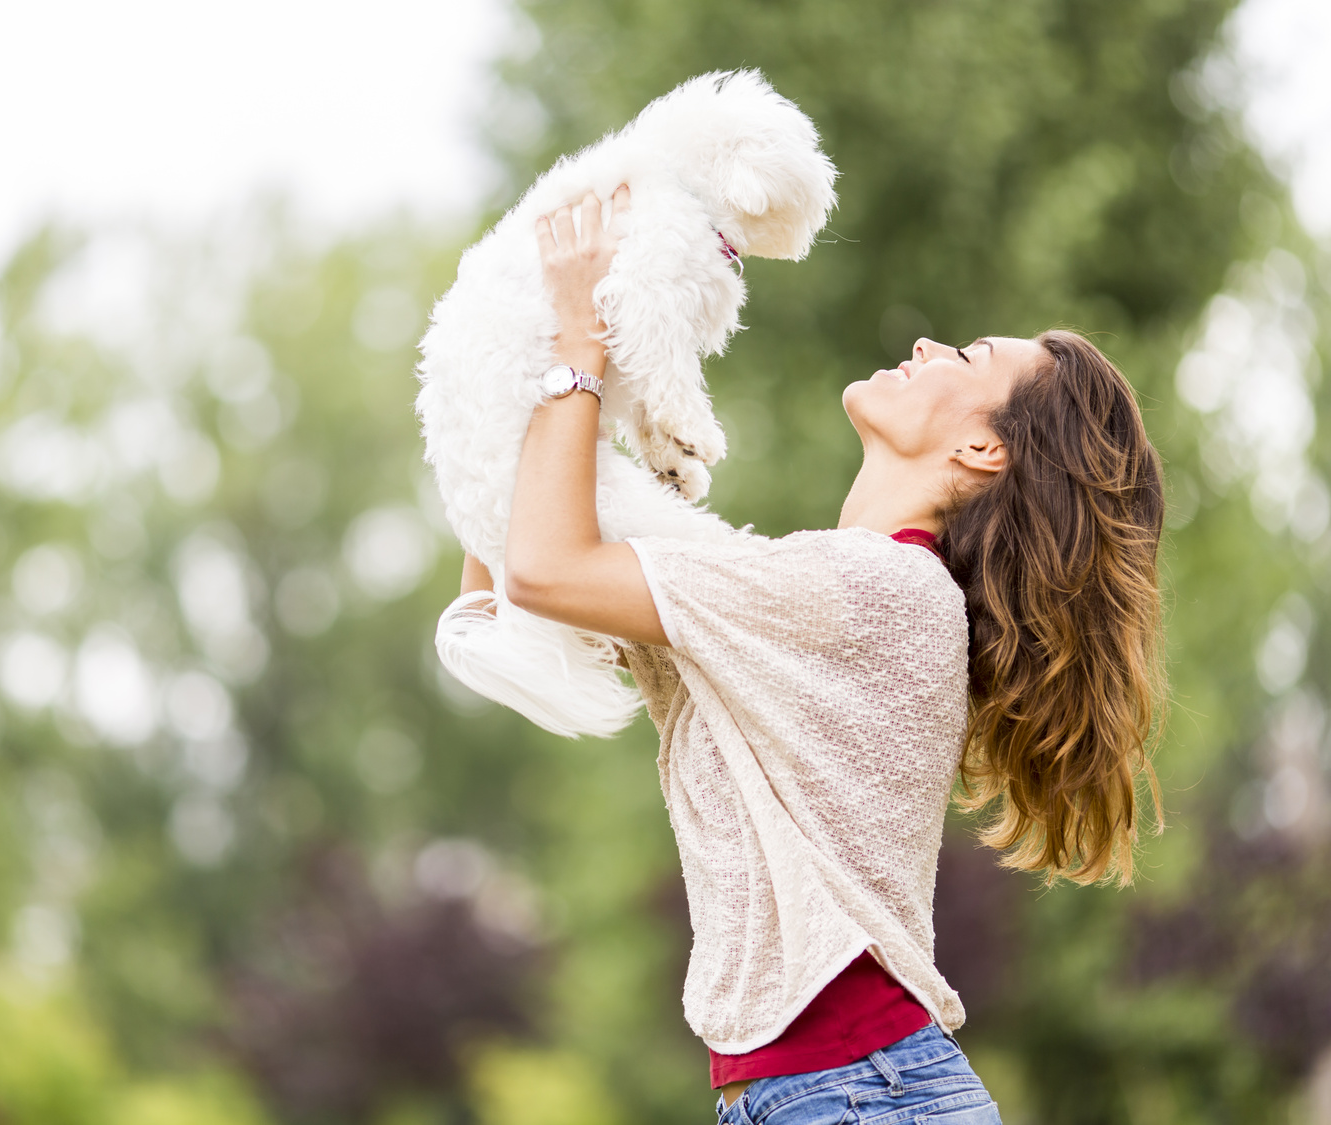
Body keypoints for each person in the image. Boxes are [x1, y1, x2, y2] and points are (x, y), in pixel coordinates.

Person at [458, 186, 1165, 1124]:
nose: (926, 347)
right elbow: (503, 591)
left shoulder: (875, 593)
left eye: (965, 356)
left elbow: (547, 568)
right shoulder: (809, 601)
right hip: (835, 1096)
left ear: (984, 446)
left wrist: (577, 342)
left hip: (859, 1095)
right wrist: (514, 364)